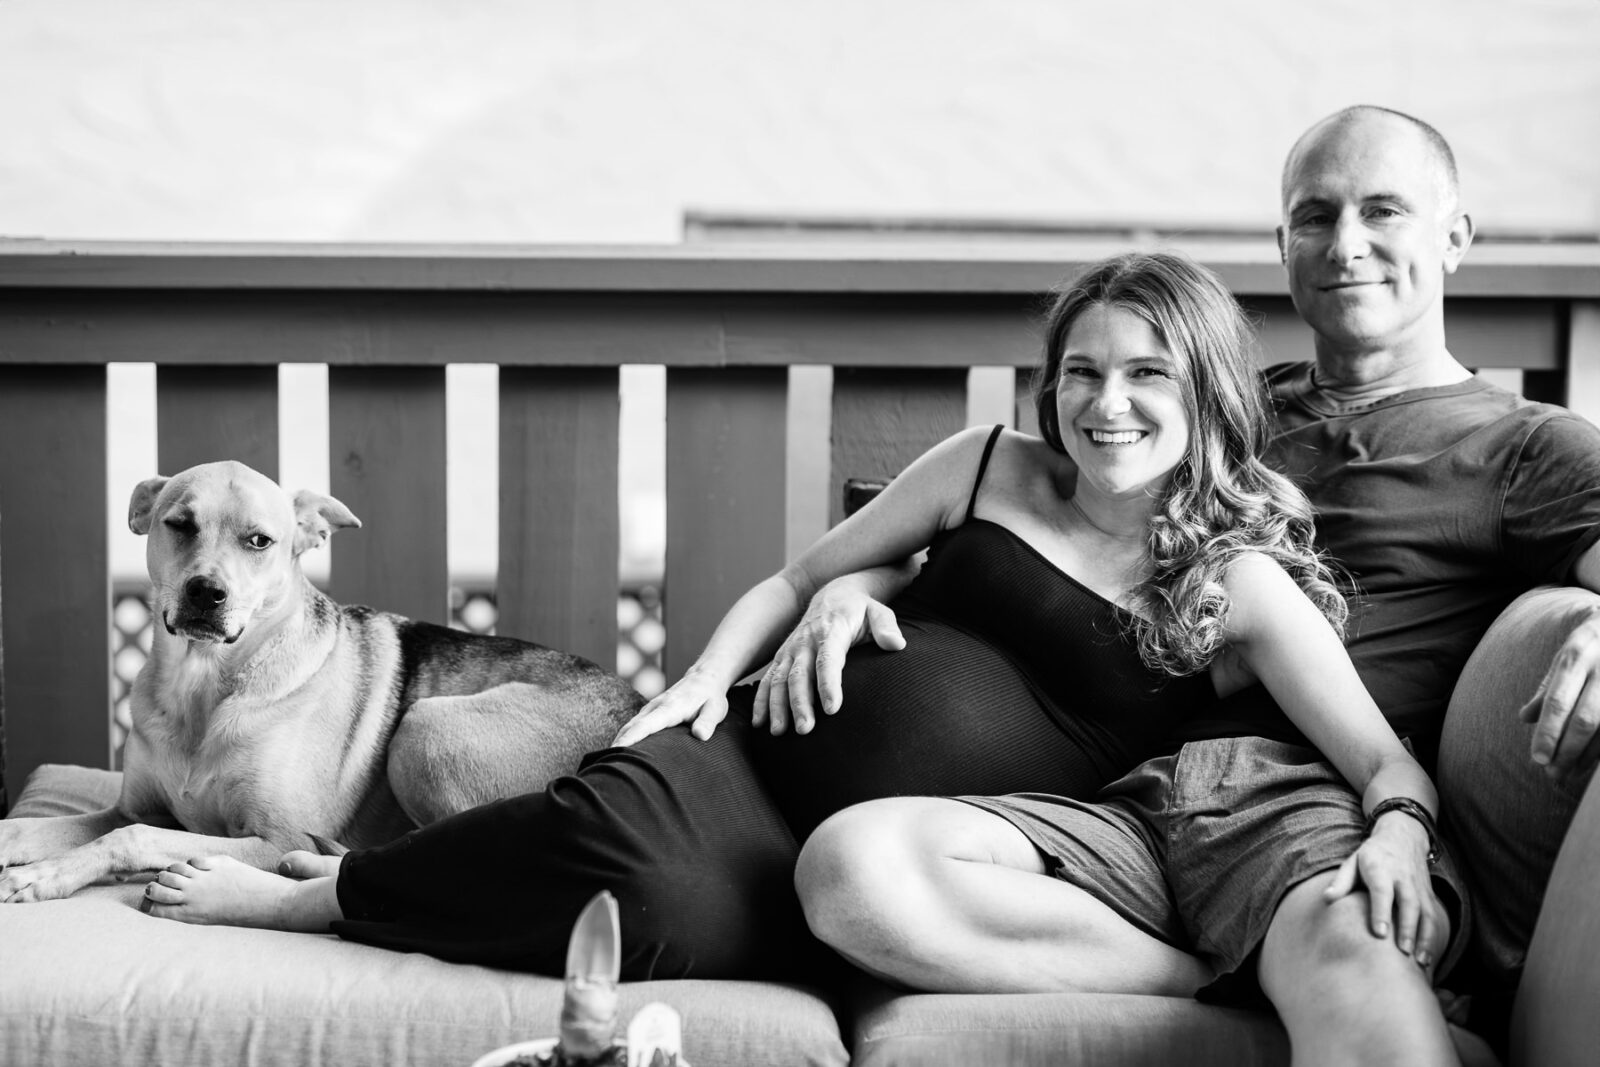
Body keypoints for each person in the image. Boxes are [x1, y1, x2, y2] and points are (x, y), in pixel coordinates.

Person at [140, 251, 1362, 990]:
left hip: (899, 844)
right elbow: (795, 580)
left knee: (662, 916)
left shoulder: (1237, 585)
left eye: (1146, 375)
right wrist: (700, 680)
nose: (1106, 403)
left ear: (1205, 389)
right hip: (751, 759)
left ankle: (339, 887)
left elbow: (1372, 752)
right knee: (596, 827)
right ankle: (330, 895)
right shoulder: (987, 462)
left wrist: (1401, 825)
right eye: (1083, 370)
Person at [791, 104, 1600, 1060]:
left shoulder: (1524, 446)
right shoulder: (1207, 402)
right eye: (1315, 215)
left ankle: (1323, 978)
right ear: (1283, 243)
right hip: (1126, 790)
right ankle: (1216, 977)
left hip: (1305, 800)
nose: (1346, 244)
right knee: (853, 870)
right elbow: (1005, 524)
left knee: (1355, 956)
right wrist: (857, 582)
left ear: (1455, 237)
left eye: (1383, 211)